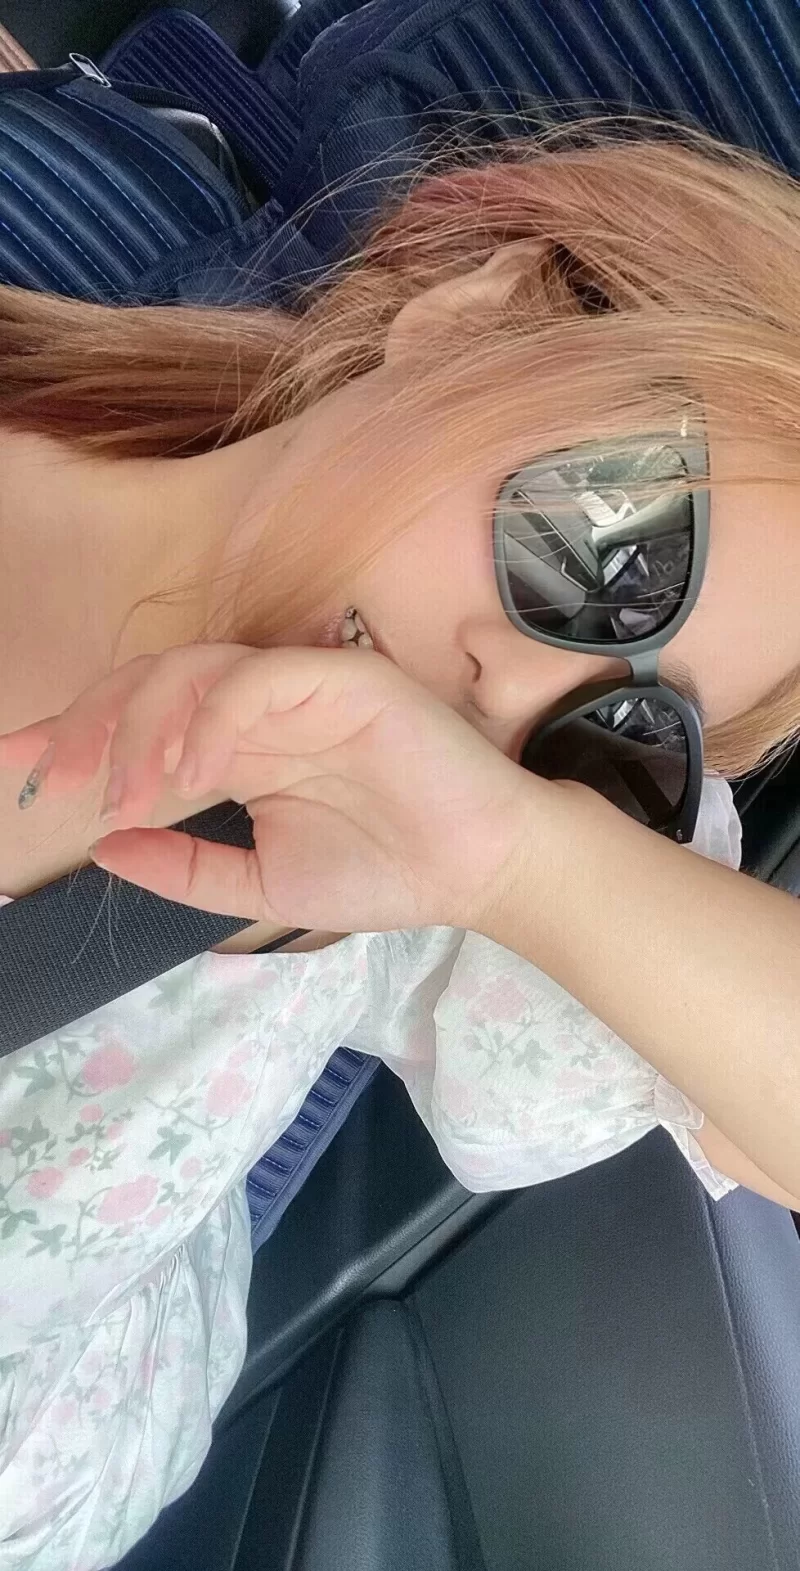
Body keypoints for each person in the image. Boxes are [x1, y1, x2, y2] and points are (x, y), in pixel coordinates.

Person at [1, 110, 800, 1567]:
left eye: (623, 732)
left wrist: (525, 858)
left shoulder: (443, 862)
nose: (515, 690)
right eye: (610, 549)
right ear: (471, 311)